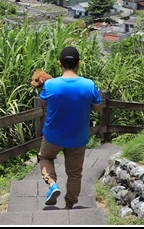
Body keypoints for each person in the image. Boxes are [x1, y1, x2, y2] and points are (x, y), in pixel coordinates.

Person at [38, 45, 105, 209]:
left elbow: (42, 101)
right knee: (74, 174)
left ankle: (52, 184)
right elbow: (98, 107)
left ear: (59, 63)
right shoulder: (88, 85)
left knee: (45, 157)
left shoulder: (50, 85)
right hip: (77, 137)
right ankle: (69, 206)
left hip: (53, 135)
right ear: (79, 63)